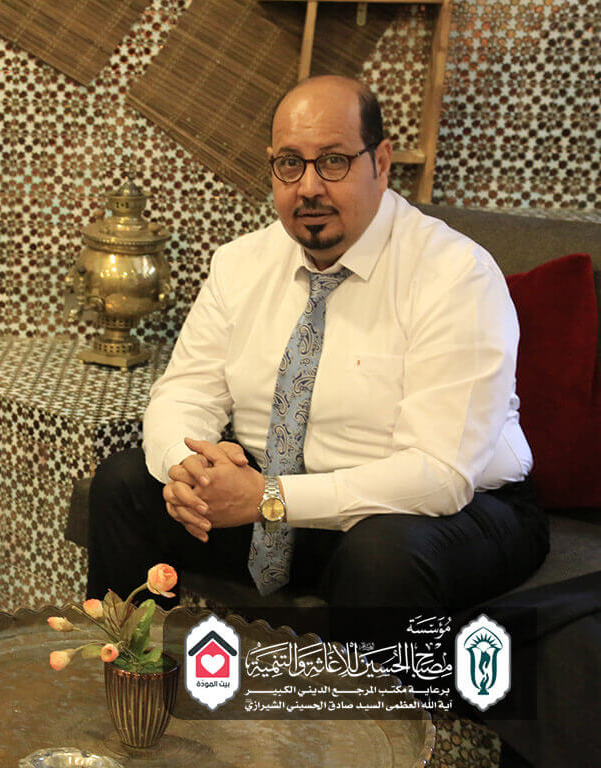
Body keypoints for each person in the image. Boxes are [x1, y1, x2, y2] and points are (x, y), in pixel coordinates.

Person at [87, 75, 548, 613]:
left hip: (448, 512)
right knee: (123, 485)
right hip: (278, 503)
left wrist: (269, 498)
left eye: (333, 161)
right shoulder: (240, 263)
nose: (308, 187)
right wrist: (185, 469)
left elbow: (439, 476)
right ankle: (129, 665)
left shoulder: (454, 274)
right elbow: (184, 392)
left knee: (381, 556)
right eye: (290, 163)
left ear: (381, 163)